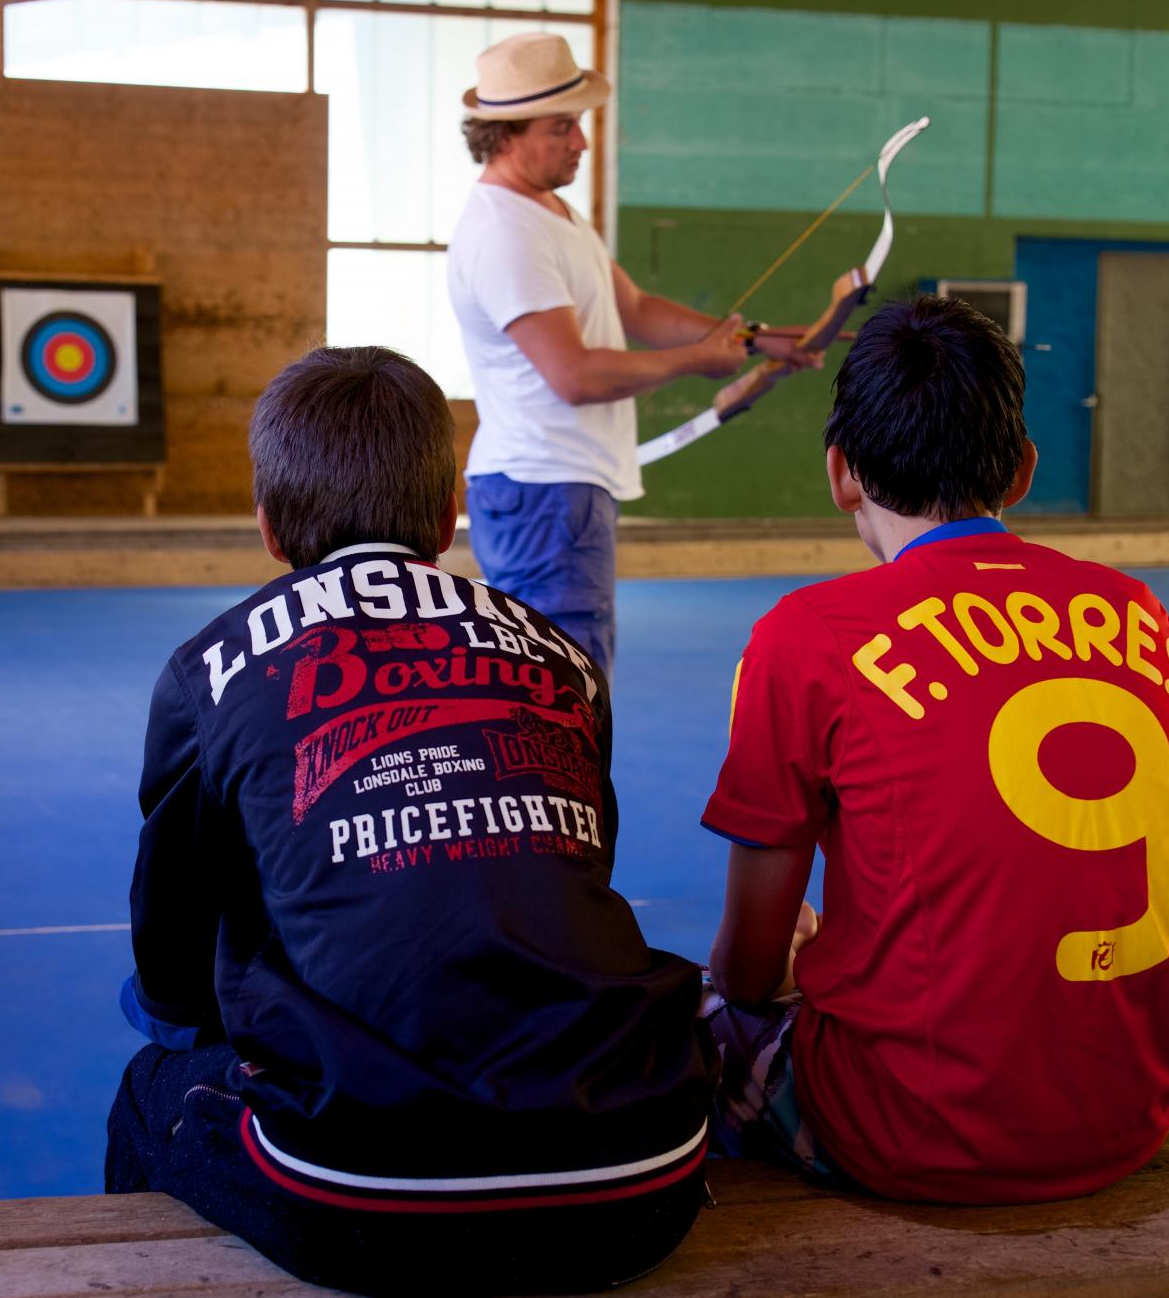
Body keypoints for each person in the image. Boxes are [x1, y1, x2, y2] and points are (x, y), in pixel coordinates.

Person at [105, 346, 714, 1295]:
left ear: (268, 528)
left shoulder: (211, 666)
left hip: (367, 1205)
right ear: (444, 517)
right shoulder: (561, 653)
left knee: (150, 1084)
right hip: (640, 1173)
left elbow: (172, 958)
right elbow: (570, 865)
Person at [698, 295, 1169, 1204]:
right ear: (1021, 470)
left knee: (683, 1015)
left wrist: (791, 956)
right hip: (1133, 1108)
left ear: (840, 473)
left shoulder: (807, 635)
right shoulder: (1140, 612)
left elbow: (746, 970)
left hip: (908, 1130)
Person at [447, 32, 819, 675]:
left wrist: (752, 337)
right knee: (570, 690)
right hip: (546, 492)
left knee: (565, 684)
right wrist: (701, 360)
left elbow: (637, 308)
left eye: (579, 125)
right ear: (506, 133)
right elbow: (575, 374)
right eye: (563, 127)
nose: (582, 143)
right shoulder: (506, 231)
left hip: (558, 490)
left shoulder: (549, 211)